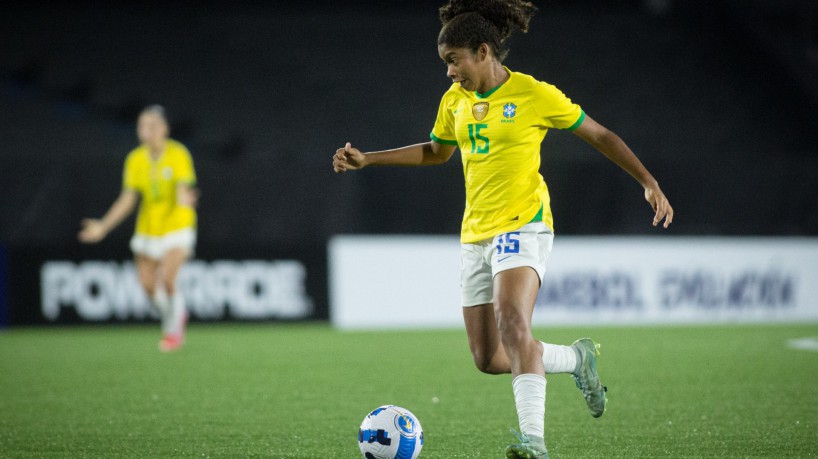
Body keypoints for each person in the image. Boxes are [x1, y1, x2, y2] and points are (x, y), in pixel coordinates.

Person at [333, 1, 674, 457]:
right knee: (490, 358)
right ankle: (577, 359)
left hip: (525, 224)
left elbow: (599, 135)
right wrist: (369, 158)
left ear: (483, 51)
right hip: (475, 235)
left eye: (454, 61)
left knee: (514, 322)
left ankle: (534, 443)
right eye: (445, 64)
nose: (449, 73)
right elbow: (438, 152)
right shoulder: (454, 101)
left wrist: (648, 181)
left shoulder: (535, 95)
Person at [79, 105, 198, 352]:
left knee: (168, 277)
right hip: (148, 228)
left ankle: (173, 330)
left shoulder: (178, 154)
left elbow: (182, 188)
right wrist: (103, 226)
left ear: (165, 128)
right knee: (147, 285)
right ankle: (176, 315)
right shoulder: (135, 159)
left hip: (177, 224)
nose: (146, 131)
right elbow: (128, 199)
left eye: (152, 126)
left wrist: (184, 199)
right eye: (142, 126)